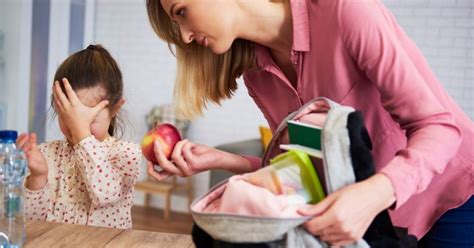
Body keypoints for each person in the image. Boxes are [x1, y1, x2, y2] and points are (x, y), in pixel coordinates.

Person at [145, 0, 473, 246]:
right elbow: (305, 168)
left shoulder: (346, 12)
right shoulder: (258, 77)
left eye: (181, 11)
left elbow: (439, 127)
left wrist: (374, 193)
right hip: (384, 222)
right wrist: (223, 160)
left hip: (455, 200)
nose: (185, 36)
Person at [16, 45, 141, 229]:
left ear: (114, 109)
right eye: (68, 117)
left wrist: (82, 134)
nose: (76, 127)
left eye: (88, 119)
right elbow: (31, 220)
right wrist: (38, 176)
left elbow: (105, 194)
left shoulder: (126, 154)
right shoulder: (47, 154)